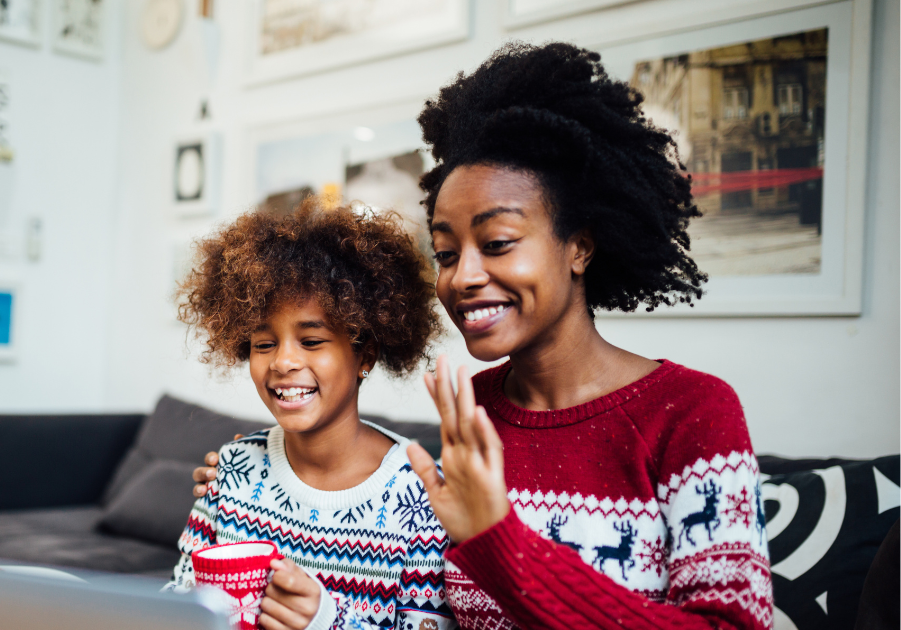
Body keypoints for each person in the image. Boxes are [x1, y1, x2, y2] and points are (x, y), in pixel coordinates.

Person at [196, 42, 773, 630]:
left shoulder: (689, 413)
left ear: (580, 246)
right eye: (446, 252)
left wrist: (500, 543)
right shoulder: (475, 413)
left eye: (496, 243)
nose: (463, 277)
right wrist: (253, 475)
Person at [167, 199, 457, 630]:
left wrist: (326, 620)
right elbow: (177, 602)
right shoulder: (231, 471)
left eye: (312, 341)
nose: (282, 362)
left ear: (366, 355)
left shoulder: (422, 498)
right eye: (263, 345)